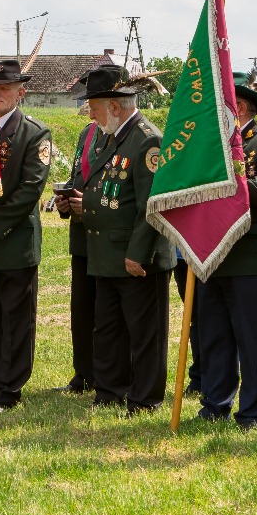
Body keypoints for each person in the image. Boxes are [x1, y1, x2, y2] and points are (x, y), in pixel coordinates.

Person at [194, 73, 257, 429]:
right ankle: (214, 405)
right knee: (214, 337)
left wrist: (226, 179)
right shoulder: (205, 143)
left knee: (252, 340)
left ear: (240, 108)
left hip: (251, 256)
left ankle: (251, 411)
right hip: (211, 253)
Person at [79, 65, 174, 416]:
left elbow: (152, 205)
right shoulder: (110, 134)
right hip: (107, 254)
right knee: (108, 329)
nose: (90, 113)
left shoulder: (147, 139)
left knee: (145, 332)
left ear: (115, 106)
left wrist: (138, 254)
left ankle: (145, 398)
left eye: (95, 106)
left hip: (137, 258)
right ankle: (109, 391)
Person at [0, 59, 53, 412]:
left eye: (4, 88)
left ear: (22, 92)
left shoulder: (35, 133)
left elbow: (31, 189)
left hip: (13, 242)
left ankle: (9, 389)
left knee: (16, 319)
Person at [51, 81, 102, 394]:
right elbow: (77, 175)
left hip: (107, 233)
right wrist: (65, 201)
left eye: (92, 101)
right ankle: (83, 373)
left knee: (106, 312)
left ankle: (106, 375)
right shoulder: (87, 133)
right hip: (82, 236)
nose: (88, 107)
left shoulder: (129, 136)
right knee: (82, 310)